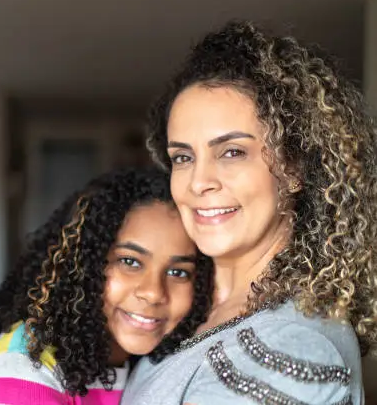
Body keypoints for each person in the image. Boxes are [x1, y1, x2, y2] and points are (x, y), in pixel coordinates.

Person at [120, 20, 377, 405]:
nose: (198, 182)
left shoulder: (292, 345)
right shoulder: (183, 305)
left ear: (294, 168)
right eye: (183, 157)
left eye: (232, 152)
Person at [0, 167, 213, 405]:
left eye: (178, 271)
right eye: (130, 261)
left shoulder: (126, 357)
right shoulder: (26, 372)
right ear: (84, 265)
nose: (153, 292)